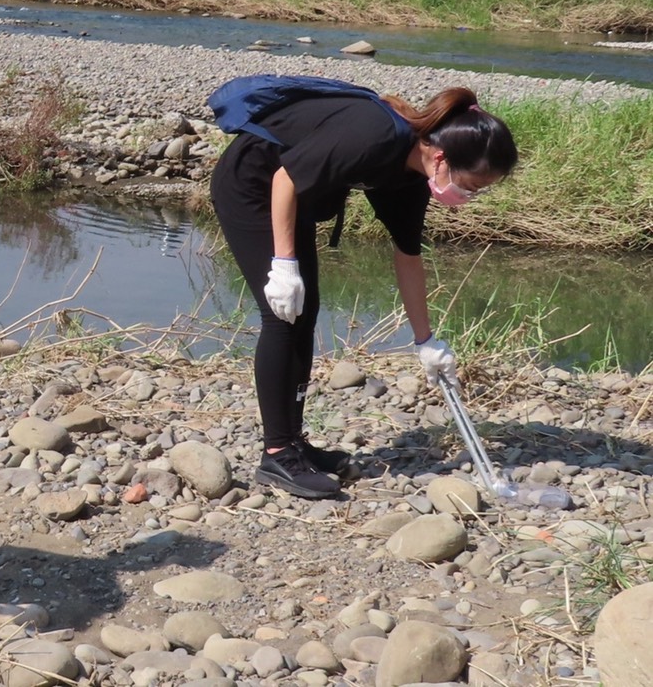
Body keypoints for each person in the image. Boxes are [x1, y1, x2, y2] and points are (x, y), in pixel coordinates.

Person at [209, 85, 517, 499]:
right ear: (441, 158)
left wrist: (426, 341)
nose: (469, 196)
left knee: (305, 310)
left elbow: (407, 256)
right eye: (472, 185)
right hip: (253, 184)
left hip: (291, 196)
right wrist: (283, 265)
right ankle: (278, 454)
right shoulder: (373, 135)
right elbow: (284, 178)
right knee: (281, 316)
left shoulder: (410, 177)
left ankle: (295, 443)